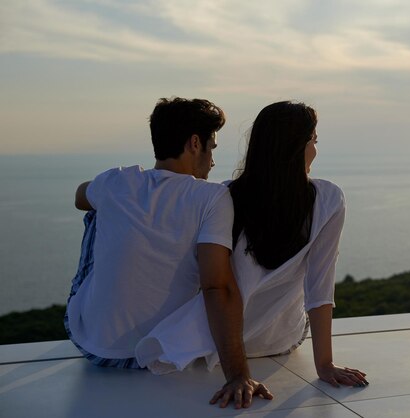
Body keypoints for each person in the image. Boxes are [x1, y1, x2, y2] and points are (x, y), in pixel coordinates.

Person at [135, 101, 368, 390]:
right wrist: (325, 365)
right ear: (296, 147)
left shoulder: (223, 196)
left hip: (219, 342)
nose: (315, 150)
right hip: (280, 339)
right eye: (313, 141)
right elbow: (319, 288)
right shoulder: (329, 199)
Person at [65, 97, 272, 409]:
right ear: (194, 143)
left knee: (96, 212)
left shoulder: (117, 180)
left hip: (96, 348)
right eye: (212, 148)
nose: (213, 161)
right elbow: (217, 286)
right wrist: (238, 375)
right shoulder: (212, 197)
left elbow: (80, 195)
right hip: (162, 355)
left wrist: (117, 194)